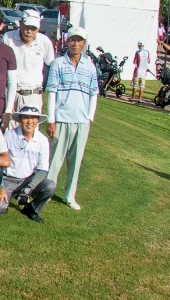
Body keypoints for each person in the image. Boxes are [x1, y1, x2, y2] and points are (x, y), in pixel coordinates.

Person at [45, 26, 98, 211]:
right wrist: (51, 119)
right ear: (67, 41)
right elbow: (51, 93)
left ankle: (69, 195)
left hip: (81, 121)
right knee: (55, 159)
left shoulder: (90, 66)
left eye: (79, 40)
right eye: (72, 40)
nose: (75, 43)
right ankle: (47, 191)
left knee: (75, 161)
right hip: (61, 118)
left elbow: (94, 94)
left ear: (84, 43)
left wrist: (89, 118)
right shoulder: (58, 63)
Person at [0, 106, 55, 223]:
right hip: (7, 179)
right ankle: (4, 197)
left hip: (27, 179)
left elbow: (43, 170)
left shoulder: (42, 140)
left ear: (37, 121)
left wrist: (28, 188)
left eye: (33, 118)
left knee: (50, 186)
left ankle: (31, 209)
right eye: (26, 117)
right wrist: (1, 187)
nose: (30, 121)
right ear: (20, 119)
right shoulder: (9, 135)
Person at [3, 9, 56, 111]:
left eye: (33, 28)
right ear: (20, 23)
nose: (29, 31)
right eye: (27, 27)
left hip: (34, 95)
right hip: (11, 94)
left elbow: (49, 67)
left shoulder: (45, 42)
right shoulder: (8, 37)